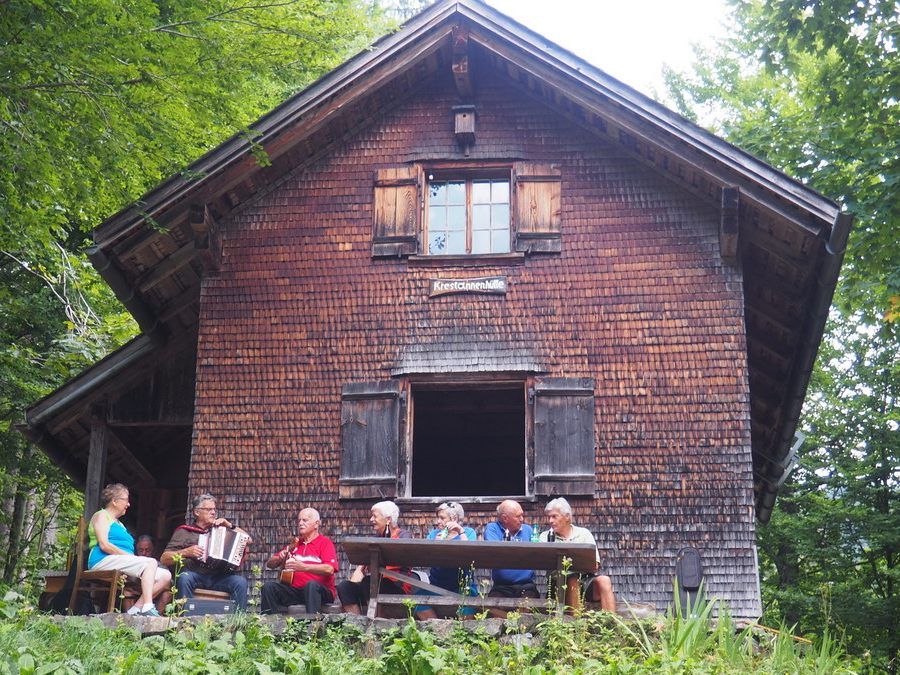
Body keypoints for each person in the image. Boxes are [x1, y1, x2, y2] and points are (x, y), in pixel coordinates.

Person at [87, 483, 171, 616]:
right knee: (151, 562)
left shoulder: (120, 524)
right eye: (126, 500)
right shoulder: (102, 515)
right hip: (102, 559)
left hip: (119, 561)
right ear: (114, 501)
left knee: (165, 576)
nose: (128, 504)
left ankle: (135, 609)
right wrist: (133, 558)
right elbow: (104, 545)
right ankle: (148, 606)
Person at [160, 493, 250, 610]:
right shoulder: (184, 532)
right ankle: (184, 619)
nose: (213, 512)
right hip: (195, 575)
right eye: (208, 509)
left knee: (240, 582)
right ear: (197, 512)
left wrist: (229, 525)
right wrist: (186, 552)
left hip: (219, 576)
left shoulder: (221, 531)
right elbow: (164, 558)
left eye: (214, 509)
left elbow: (248, 540)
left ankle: (238, 622)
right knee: (184, 577)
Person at [540, 497, 616, 612]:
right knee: (572, 578)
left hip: (585, 581)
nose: (550, 520)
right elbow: (543, 563)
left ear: (567, 517)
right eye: (549, 517)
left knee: (604, 580)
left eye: (554, 516)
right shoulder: (545, 537)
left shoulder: (584, 534)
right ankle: (576, 625)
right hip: (559, 584)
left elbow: (595, 565)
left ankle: (611, 622)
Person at [336, 501, 412, 615]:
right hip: (372, 585)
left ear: (388, 519)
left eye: (375, 516)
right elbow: (361, 568)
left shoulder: (404, 536)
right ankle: (357, 624)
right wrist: (354, 585)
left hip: (396, 585)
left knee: (370, 582)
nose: (371, 519)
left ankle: (374, 623)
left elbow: (402, 559)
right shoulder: (375, 539)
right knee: (345, 587)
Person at [261, 508, 338, 615]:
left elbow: (329, 569)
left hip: (320, 592)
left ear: (316, 524)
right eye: (299, 521)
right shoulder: (295, 544)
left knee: (311, 585)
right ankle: (270, 626)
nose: (300, 523)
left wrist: (303, 567)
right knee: (269, 587)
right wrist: (280, 558)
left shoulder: (325, 543)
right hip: (296, 592)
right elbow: (270, 564)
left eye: (305, 520)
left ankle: (314, 627)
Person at [415, 501, 478, 620]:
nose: (438, 521)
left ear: (454, 518)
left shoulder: (468, 532)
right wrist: (435, 544)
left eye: (442, 518)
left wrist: (461, 532)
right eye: (438, 518)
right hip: (437, 585)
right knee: (418, 600)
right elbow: (425, 554)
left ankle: (463, 634)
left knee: (469, 599)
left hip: (463, 586)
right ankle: (438, 629)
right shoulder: (434, 534)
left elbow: (471, 551)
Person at [483, 500, 539, 615]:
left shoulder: (528, 530)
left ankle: (521, 631)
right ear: (505, 518)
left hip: (526, 585)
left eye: (522, 515)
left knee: (527, 610)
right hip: (501, 586)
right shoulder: (492, 529)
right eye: (518, 516)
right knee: (493, 611)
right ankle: (510, 630)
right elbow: (496, 551)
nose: (522, 519)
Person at [123, 535, 172, 613]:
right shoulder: (132, 563)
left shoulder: (160, 565)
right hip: (135, 590)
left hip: (155, 594)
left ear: (153, 550)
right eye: (141, 550)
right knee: (126, 591)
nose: (144, 553)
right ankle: (129, 616)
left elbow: (168, 584)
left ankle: (155, 617)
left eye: (147, 550)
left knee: (167, 594)